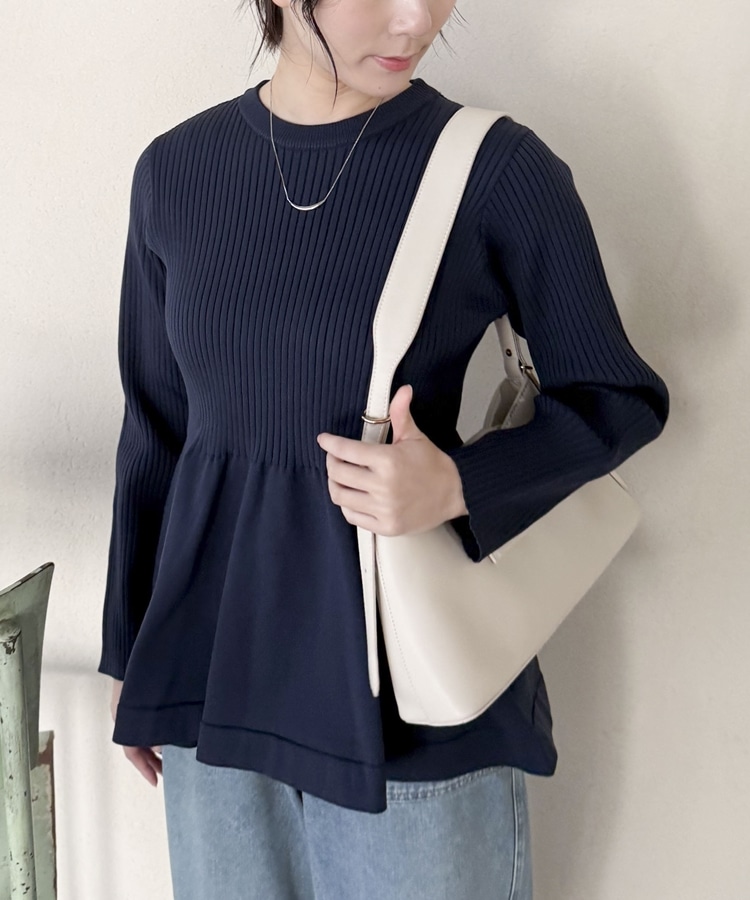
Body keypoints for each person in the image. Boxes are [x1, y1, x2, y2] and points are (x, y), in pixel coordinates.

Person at [100, 1, 670, 897]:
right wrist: (133, 655)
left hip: (408, 704)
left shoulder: (493, 168)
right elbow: (156, 427)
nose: (417, 20)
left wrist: (459, 485)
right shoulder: (175, 171)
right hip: (213, 688)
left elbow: (618, 396)